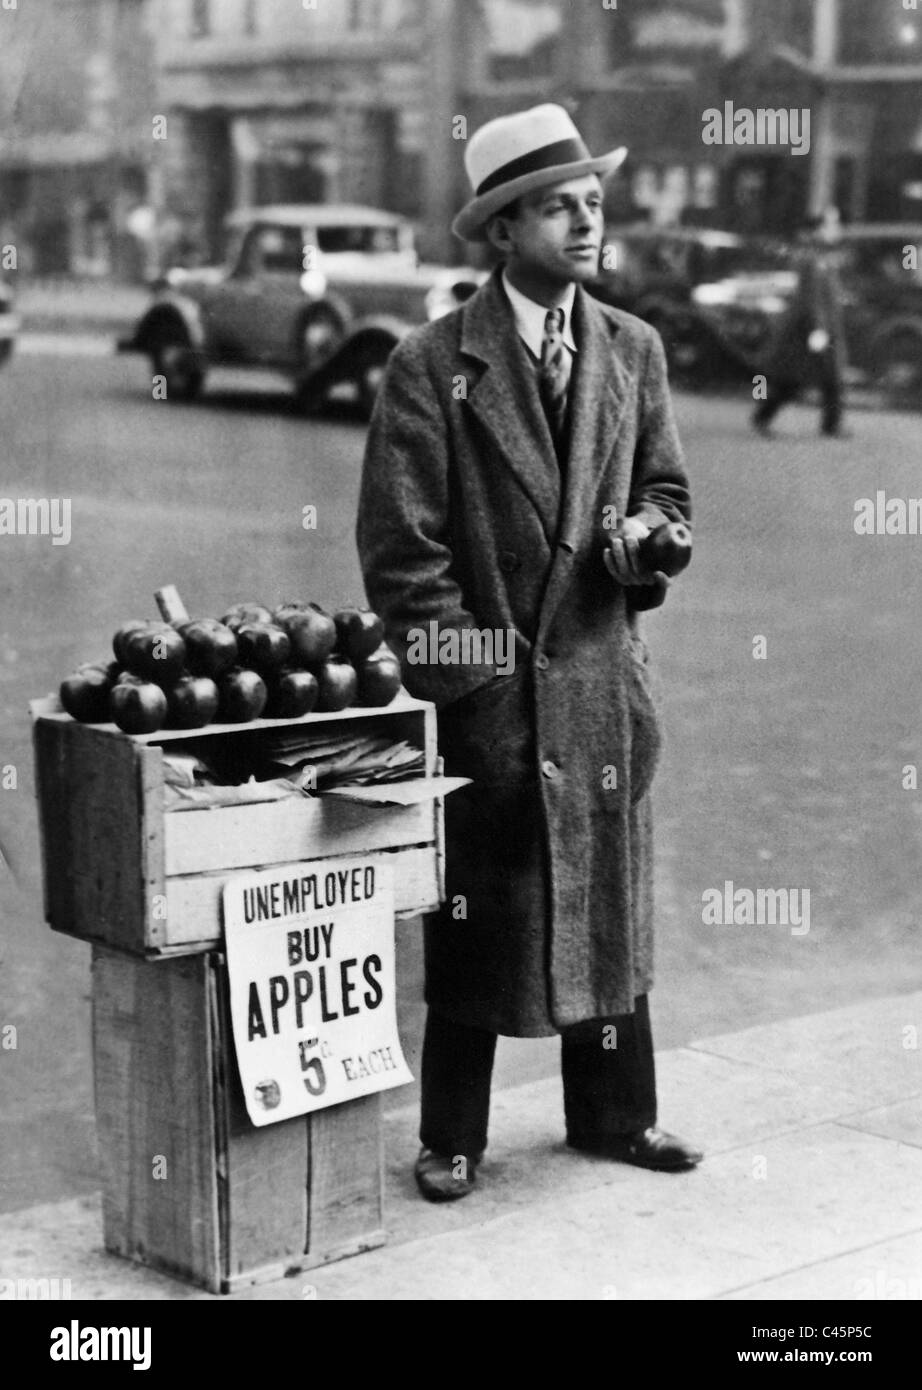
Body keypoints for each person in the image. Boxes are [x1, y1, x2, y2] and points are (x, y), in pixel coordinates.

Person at [356, 104, 702, 1202]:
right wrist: (486, 681)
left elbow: (665, 490)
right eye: (559, 206)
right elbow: (401, 557)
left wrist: (651, 538)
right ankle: (453, 1135)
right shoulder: (430, 367)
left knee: (605, 905)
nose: (587, 221)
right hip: (492, 704)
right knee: (481, 924)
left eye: (594, 202)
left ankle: (616, 1117)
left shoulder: (631, 350)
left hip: (601, 691)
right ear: (503, 231)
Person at [752, 209, 847, 437]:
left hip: (822, 329)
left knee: (829, 379)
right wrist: (819, 329)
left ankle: (830, 425)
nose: (838, 229)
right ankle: (763, 415)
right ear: (819, 229)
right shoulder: (813, 257)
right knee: (797, 380)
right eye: (833, 224)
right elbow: (812, 298)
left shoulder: (821, 255)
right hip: (813, 330)